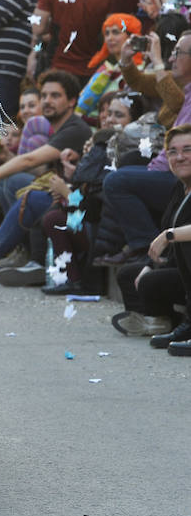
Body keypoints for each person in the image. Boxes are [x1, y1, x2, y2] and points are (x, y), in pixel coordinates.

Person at [0, 70, 92, 279]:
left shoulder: (74, 129)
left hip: (78, 208)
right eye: (44, 95)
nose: (47, 101)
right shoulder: (53, 126)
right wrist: (0, 157)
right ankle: (18, 250)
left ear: (72, 101)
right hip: (62, 197)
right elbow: (38, 169)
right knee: (10, 181)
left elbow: (29, 161)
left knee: (20, 186)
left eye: (55, 96)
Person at [92, 31, 191, 266]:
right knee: (123, 162)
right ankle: (125, 245)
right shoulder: (182, 84)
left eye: (178, 53)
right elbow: (139, 82)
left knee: (118, 181)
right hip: (165, 161)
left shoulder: (180, 87)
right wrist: (126, 60)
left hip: (179, 172)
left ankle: (148, 250)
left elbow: (174, 101)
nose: (171, 58)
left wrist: (157, 63)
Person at [139, 124, 191, 355]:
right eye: (173, 151)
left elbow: (173, 233)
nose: (179, 157)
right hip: (181, 269)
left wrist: (170, 235)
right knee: (133, 275)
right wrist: (150, 264)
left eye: (188, 149)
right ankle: (181, 323)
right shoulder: (179, 189)